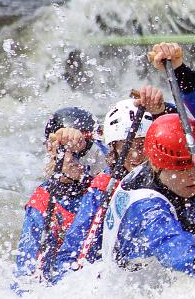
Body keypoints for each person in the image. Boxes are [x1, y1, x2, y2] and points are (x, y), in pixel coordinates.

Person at [100, 42, 195, 279]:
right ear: (155, 165)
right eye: (180, 169)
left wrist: (180, 71)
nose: (192, 176)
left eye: (192, 166)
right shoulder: (144, 202)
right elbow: (169, 244)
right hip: (134, 291)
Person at [54, 89, 160, 277]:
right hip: (120, 275)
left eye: (143, 144)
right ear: (114, 149)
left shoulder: (172, 177)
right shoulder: (101, 188)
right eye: (129, 146)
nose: (136, 154)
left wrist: (163, 108)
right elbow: (70, 254)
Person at [12, 107, 98, 290]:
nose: (70, 158)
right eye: (63, 150)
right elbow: (25, 271)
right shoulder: (43, 201)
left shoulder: (102, 188)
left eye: (78, 151)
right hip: (62, 288)